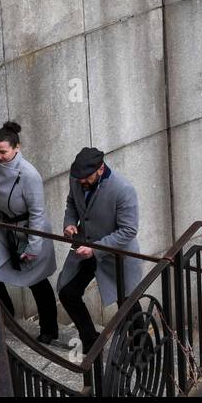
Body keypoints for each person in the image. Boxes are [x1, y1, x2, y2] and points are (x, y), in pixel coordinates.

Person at [57, 147, 143, 354]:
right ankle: (90, 339)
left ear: (101, 169)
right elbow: (72, 204)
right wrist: (69, 223)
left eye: (86, 178)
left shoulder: (123, 189)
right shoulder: (77, 178)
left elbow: (128, 230)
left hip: (115, 255)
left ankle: (142, 349)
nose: (81, 182)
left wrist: (95, 250)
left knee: (127, 303)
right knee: (67, 292)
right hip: (84, 249)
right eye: (79, 178)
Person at [0, 121, 60, 345]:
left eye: (3, 152)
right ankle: (5, 313)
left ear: (17, 148)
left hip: (29, 231)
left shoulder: (29, 175)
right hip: (4, 227)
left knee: (37, 282)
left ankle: (49, 330)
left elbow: (37, 213)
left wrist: (33, 246)